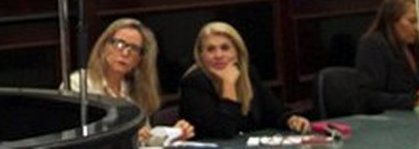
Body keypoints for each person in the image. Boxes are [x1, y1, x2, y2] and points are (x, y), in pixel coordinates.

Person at [68, 19, 195, 145]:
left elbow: (145, 140)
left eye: (134, 49)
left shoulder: (135, 92)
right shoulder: (80, 83)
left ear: (139, 60)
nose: (125, 53)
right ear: (103, 47)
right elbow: (80, 138)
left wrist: (171, 137)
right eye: (119, 44)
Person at [179, 21, 310, 139]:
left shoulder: (247, 73)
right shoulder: (194, 82)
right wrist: (228, 85)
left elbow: (274, 111)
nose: (218, 55)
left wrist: (290, 119)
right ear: (201, 56)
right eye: (210, 49)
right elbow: (223, 131)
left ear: (237, 52)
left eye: (225, 48)